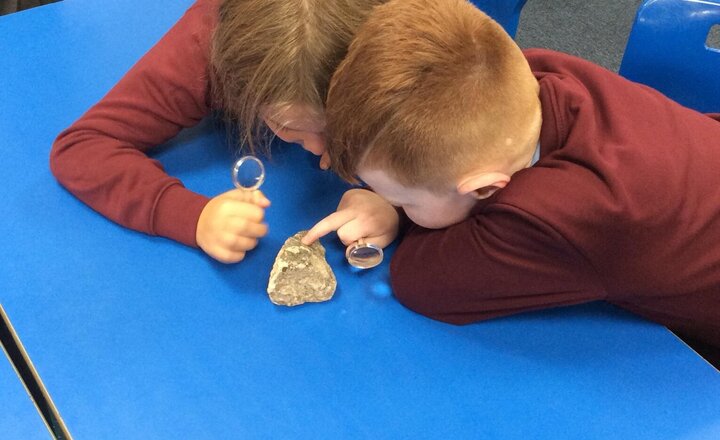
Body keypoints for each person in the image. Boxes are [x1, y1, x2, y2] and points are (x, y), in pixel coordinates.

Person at [302, 0, 720, 367]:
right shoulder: (532, 71)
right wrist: (401, 198)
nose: (389, 203)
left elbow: (423, 283)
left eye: (403, 200)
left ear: (484, 188)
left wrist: (396, 219)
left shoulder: (564, 214)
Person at [50, 0, 386, 264]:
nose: (316, 149)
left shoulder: (401, 36)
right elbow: (83, 147)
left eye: (338, 125)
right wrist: (193, 217)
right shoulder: (205, 46)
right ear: (239, 88)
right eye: (291, 128)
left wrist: (393, 201)